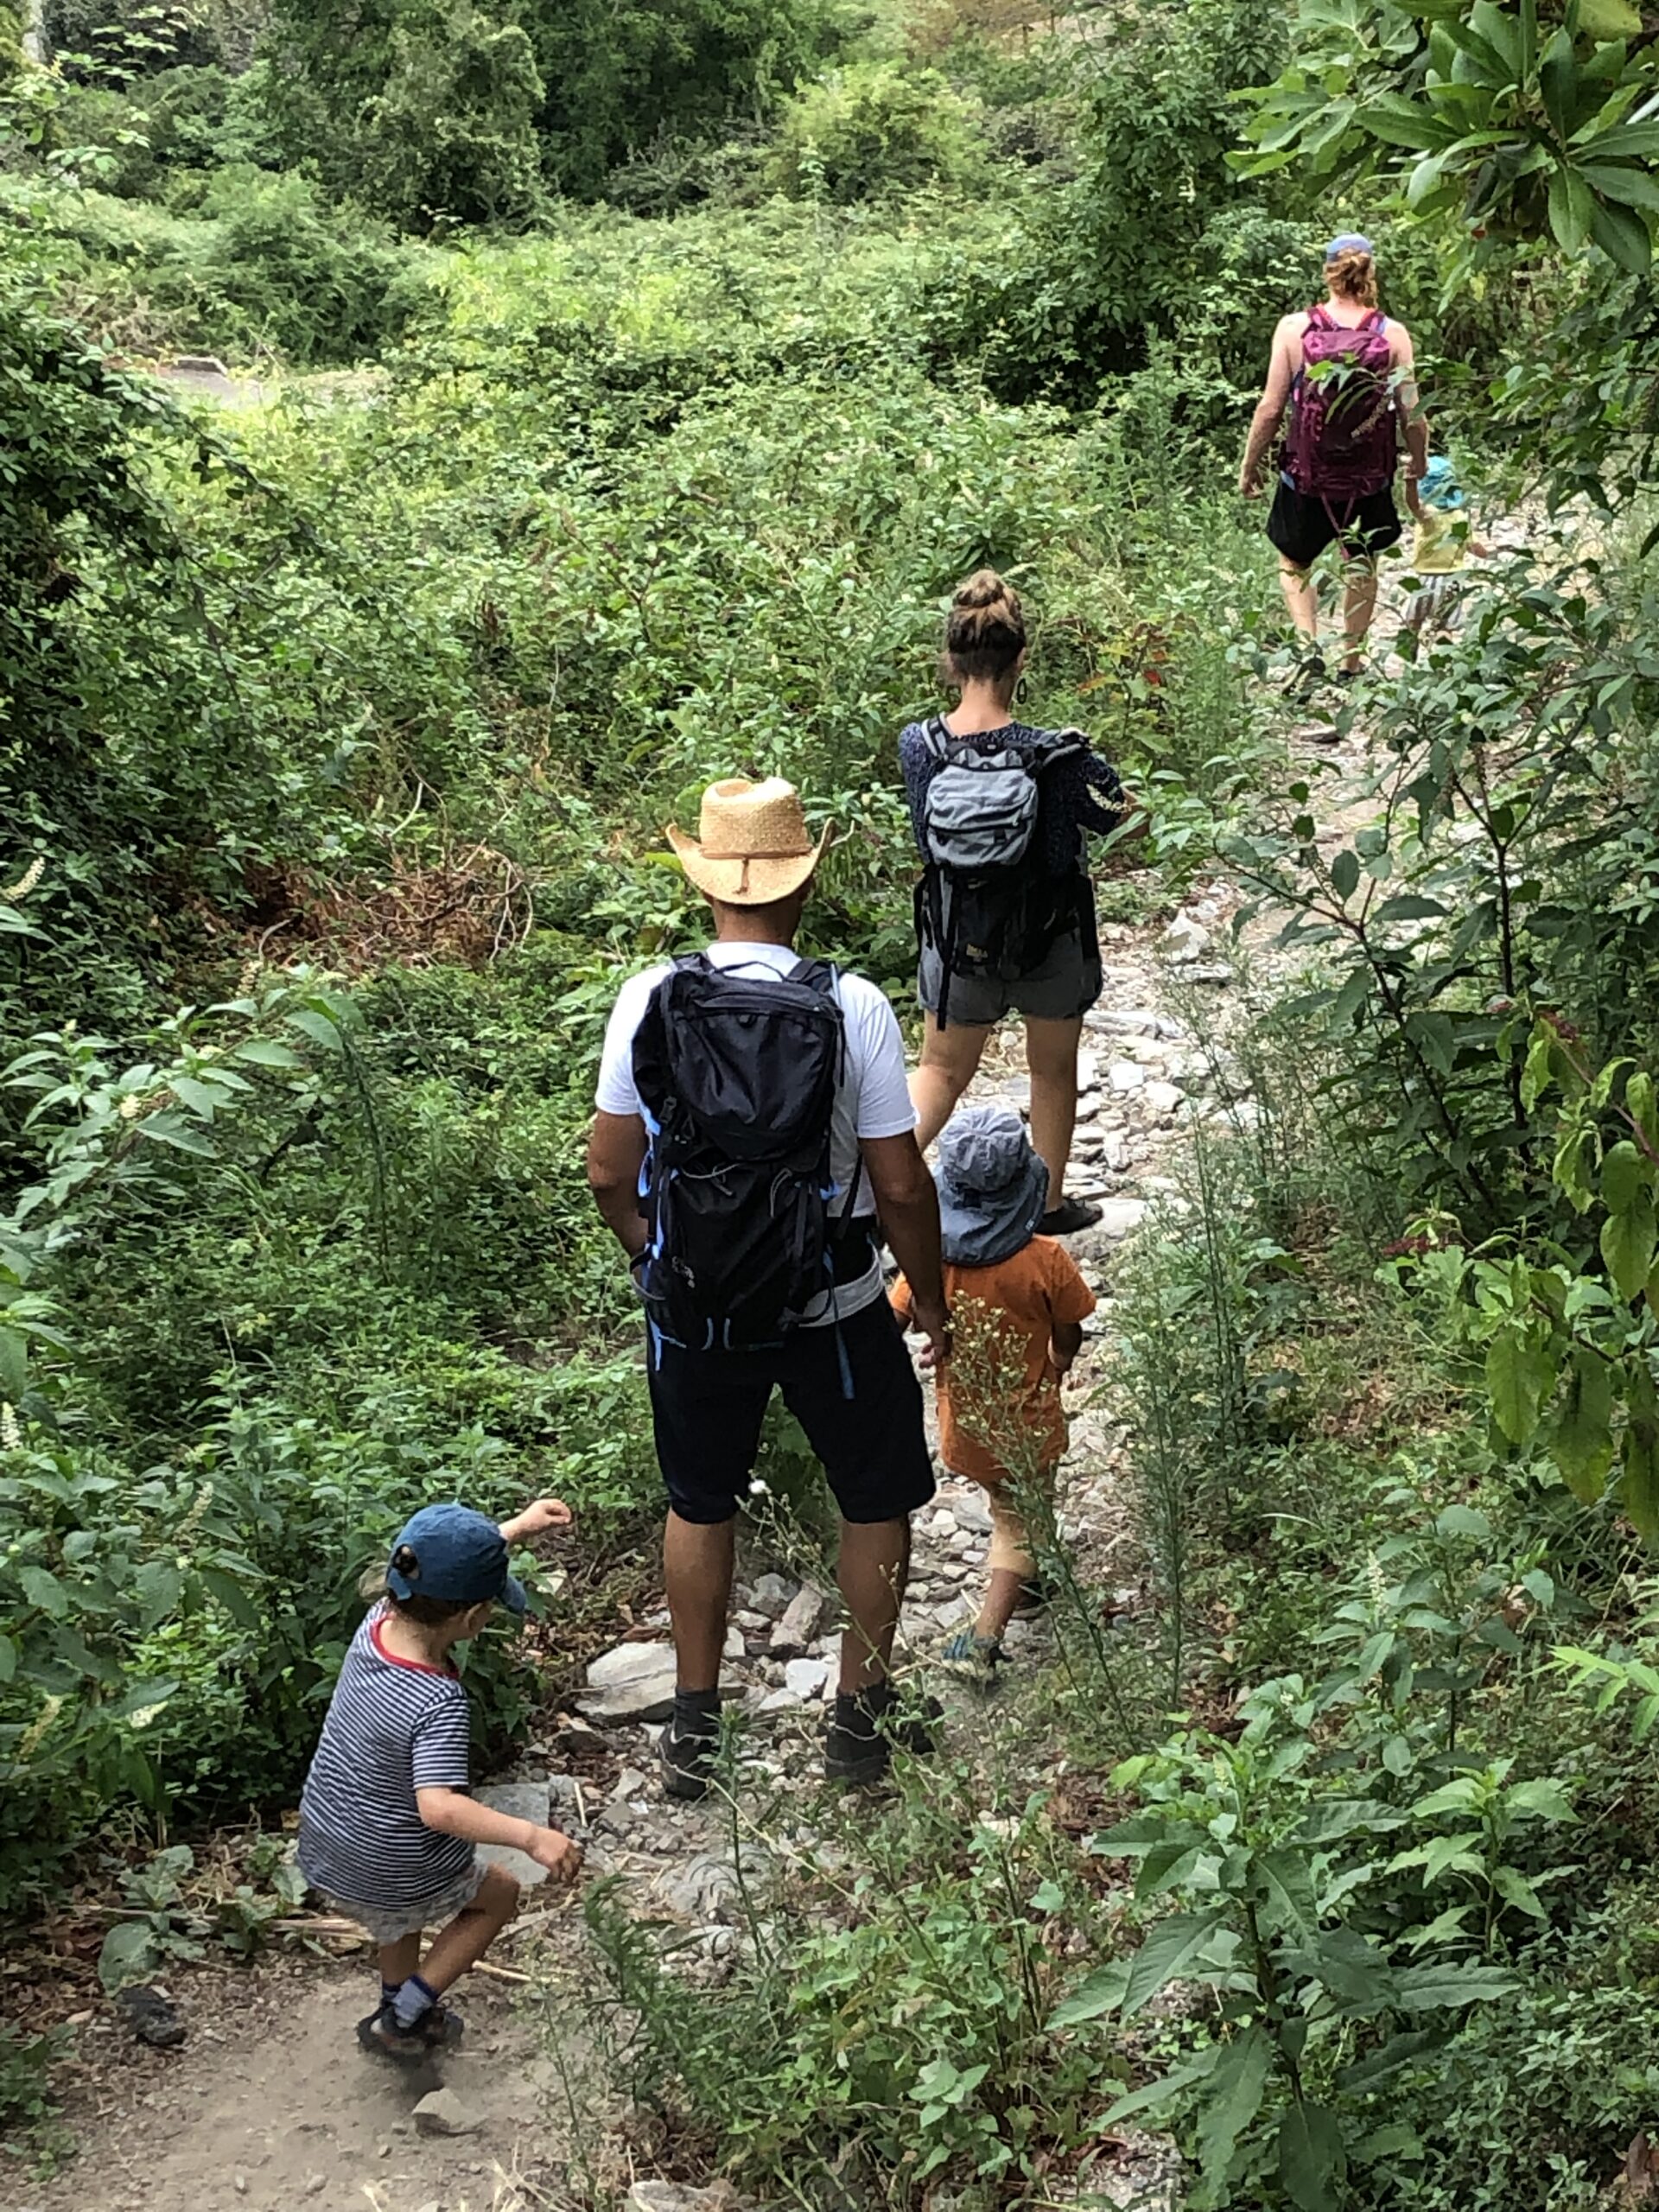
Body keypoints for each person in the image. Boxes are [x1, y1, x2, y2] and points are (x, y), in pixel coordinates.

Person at [586, 776, 950, 1796]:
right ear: (805, 882)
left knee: (700, 1501)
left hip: (696, 1309)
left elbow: (609, 1169)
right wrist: (929, 1297)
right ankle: (859, 1725)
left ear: (706, 883)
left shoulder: (650, 997)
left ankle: (695, 1733)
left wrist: (654, 1257)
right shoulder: (852, 1003)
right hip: (833, 1302)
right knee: (874, 1497)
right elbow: (900, 1184)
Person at [297, 1497, 583, 2062]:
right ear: (473, 1619)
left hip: (332, 1840)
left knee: (396, 1917)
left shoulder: (376, 1623)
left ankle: (395, 2002)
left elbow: (437, 1563)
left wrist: (512, 1532)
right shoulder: (437, 1701)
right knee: (497, 1897)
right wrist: (531, 1836)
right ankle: (403, 2016)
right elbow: (439, 1808)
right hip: (396, 1863)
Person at [900, 570, 1135, 1237]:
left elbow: (925, 836)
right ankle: (1048, 1205)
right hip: (1049, 937)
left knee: (940, 1072)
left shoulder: (920, 746)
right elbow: (1114, 814)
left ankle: (870, 1194)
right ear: (1021, 658)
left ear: (951, 660)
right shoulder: (1054, 753)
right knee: (1051, 1070)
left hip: (959, 937)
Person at [888, 1106, 1095, 1683]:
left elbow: (893, 1321)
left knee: (1010, 1503)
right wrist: (1060, 1360)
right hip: (1028, 1422)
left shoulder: (931, 1262)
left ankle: (1033, 1582)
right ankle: (984, 1639)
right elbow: (1070, 1330)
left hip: (966, 1425)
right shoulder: (1046, 1259)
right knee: (1019, 1519)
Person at [1239, 233, 1430, 687]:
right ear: (1370, 273)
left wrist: (1250, 465)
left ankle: (1309, 651)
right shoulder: (1392, 335)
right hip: (1369, 478)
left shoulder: (1295, 329)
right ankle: (1351, 664)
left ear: (1328, 274)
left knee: (1293, 562)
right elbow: (1412, 411)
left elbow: (1270, 408)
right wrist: (1419, 461)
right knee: (1361, 562)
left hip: (1305, 477)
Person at [1401, 453, 1491, 642]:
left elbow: (1413, 505)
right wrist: (1491, 555)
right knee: (1446, 626)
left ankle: (1410, 651)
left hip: (1426, 580)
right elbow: (1474, 546)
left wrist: (1409, 481)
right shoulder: (1460, 516)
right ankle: (1443, 649)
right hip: (1453, 580)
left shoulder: (1429, 515)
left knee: (1413, 624)